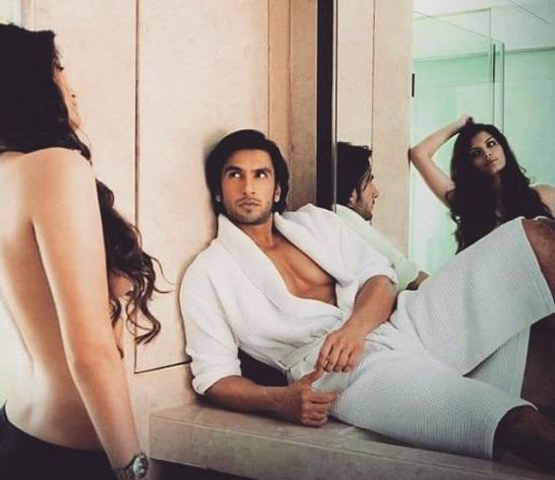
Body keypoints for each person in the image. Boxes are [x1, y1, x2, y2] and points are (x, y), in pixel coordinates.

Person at [180, 129, 555, 469]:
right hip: (342, 374)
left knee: (533, 237)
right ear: (218, 190)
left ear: (277, 190)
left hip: (398, 321)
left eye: (260, 174)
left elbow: (380, 277)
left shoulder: (315, 222)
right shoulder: (208, 273)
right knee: (509, 420)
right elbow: (214, 376)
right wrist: (280, 400)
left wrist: (355, 329)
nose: (248, 187)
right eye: (235, 175)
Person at [0, 3, 156, 479]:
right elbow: (90, 351)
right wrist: (133, 468)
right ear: (26, 82)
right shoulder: (56, 168)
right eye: (55, 66)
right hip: (60, 459)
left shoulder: (2, 171)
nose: (70, 84)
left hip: (17, 435)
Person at [409, 115, 555, 251]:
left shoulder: (544, 195)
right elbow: (419, 154)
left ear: (503, 148)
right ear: (469, 164)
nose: (487, 153)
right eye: (476, 153)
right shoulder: (468, 204)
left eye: (491, 144)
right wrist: (460, 124)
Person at [336, 142, 427, 291]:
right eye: (368, 181)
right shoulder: (342, 217)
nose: (376, 192)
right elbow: (407, 275)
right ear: (352, 194)